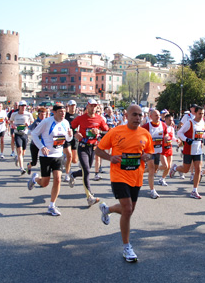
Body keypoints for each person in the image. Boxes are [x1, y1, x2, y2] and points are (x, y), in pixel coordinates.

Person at [95, 104, 154, 262]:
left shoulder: (145, 134)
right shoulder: (116, 132)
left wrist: (147, 157)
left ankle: (107, 209)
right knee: (127, 209)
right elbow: (98, 149)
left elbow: (150, 151)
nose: (138, 118)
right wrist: (110, 158)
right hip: (119, 175)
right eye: (134, 114)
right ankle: (127, 247)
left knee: (129, 210)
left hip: (137, 176)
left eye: (140, 115)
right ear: (126, 116)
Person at [28, 103, 73, 216]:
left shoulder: (66, 122)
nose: (63, 114)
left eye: (64, 112)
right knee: (45, 183)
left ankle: (52, 205)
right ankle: (35, 179)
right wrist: (42, 147)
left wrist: (70, 135)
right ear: (54, 112)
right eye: (60, 112)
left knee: (57, 179)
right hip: (46, 156)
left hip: (58, 155)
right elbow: (34, 134)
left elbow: (67, 138)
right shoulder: (46, 122)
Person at [68, 99, 109, 207]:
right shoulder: (81, 118)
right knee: (86, 170)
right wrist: (75, 133)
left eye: (95, 106)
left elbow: (106, 130)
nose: (93, 108)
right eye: (91, 106)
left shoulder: (100, 119)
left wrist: (99, 132)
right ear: (87, 107)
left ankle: (73, 174)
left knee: (85, 171)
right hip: (82, 147)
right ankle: (89, 197)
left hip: (93, 147)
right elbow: (69, 128)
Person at [171, 106, 205, 199]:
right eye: (200, 113)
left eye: (203, 114)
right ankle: (175, 168)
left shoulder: (202, 122)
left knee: (198, 169)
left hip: (198, 150)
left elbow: (202, 133)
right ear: (195, 113)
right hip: (189, 149)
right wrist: (186, 139)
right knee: (186, 170)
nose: (201, 115)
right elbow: (179, 133)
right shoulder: (189, 122)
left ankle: (195, 190)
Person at [142, 109, 168, 199]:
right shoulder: (146, 126)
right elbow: (140, 136)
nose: (158, 117)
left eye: (158, 115)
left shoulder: (163, 125)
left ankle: (140, 172)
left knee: (155, 169)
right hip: (149, 151)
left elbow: (165, 134)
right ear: (151, 117)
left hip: (158, 150)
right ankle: (152, 191)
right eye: (156, 115)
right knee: (152, 170)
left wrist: (166, 137)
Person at [10, 101, 34, 175]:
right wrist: (13, 125)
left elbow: (32, 122)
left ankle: (17, 158)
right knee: (20, 151)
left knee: (23, 152)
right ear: (19, 107)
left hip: (25, 134)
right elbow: (10, 121)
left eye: (25, 106)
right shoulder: (14, 114)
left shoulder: (28, 114)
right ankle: (21, 168)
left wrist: (28, 124)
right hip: (17, 133)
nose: (23, 107)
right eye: (22, 106)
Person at [157, 113, 177, 186]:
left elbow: (173, 137)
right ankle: (155, 168)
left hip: (169, 149)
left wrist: (177, 140)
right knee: (165, 166)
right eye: (169, 120)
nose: (171, 122)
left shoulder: (172, 128)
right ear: (165, 120)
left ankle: (162, 179)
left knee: (169, 167)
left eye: (172, 120)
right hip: (163, 149)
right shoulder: (161, 127)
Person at [63, 100, 79, 182]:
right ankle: (67, 174)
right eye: (71, 106)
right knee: (69, 155)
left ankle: (65, 161)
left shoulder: (78, 116)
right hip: (66, 138)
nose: (73, 107)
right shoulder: (65, 116)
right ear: (68, 106)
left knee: (75, 160)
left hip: (75, 138)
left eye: (74, 106)